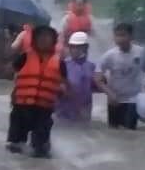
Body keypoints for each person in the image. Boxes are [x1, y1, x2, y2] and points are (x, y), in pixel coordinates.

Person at [7, 25, 67, 157]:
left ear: (53, 40)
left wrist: (62, 90)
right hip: (21, 107)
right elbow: (11, 73)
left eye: (47, 36)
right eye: (40, 36)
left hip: (43, 110)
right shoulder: (24, 57)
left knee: (41, 151)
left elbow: (65, 86)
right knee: (14, 147)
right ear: (34, 39)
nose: (43, 39)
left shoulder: (60, 63)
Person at [97, 22, 145, 130]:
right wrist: (109, 93)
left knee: (129, 132)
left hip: (133, 99)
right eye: (117, 35)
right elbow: (97, 78)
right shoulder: (109, 56)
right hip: (114, 99)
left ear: (131, 36)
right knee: (113, 132)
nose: (119, 39)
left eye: (123, 35)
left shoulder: (141, 52)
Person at [57, 31, 96, 123]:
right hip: (63, 110)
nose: (74, 49)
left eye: (78, 46)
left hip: (84, 109)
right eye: (72, 46)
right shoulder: (63, 65)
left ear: (86, 48)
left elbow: (96, 86)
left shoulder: (92, 67)